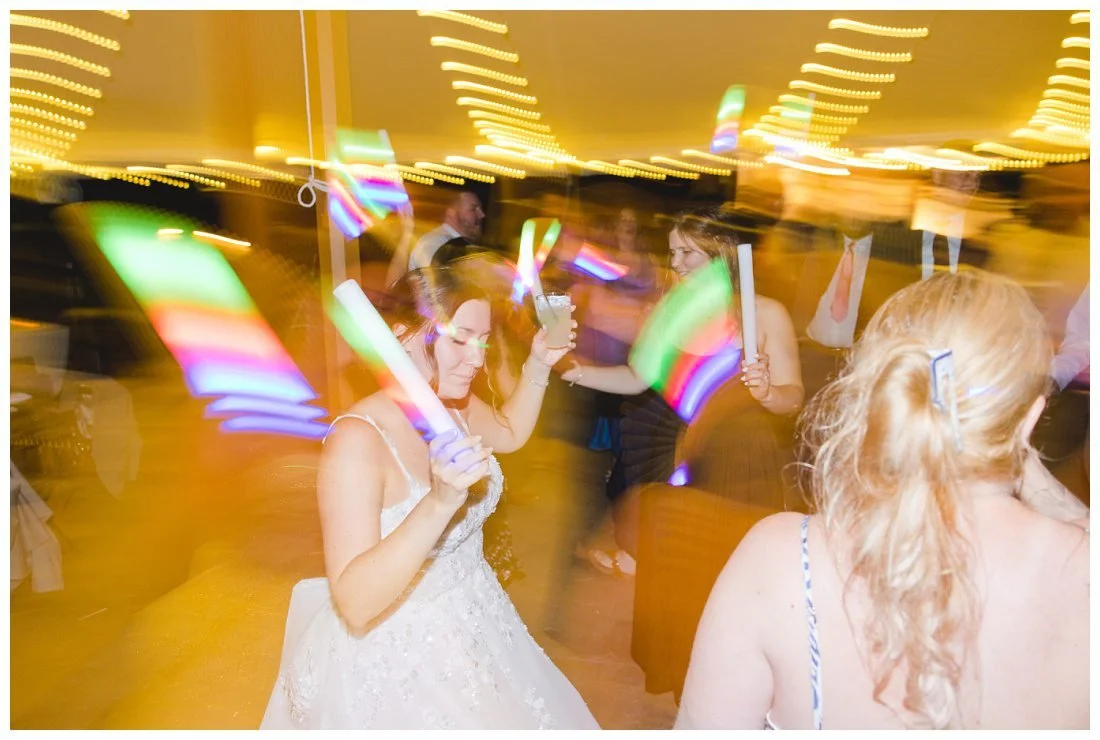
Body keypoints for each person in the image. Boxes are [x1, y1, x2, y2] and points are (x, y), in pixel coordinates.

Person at [677, 270, 1089, 729]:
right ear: (1030, 417)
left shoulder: (779, 562)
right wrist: (1018, 453)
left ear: (877, 394)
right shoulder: (1084, 570)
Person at [261, 257, 598, 729]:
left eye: (482, 341)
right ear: (403, 336)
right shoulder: (357, 441)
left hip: (479, 624)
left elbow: (510, 431)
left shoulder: (452, 404)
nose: (478, 359)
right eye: (460, 339)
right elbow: (356, 604)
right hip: (396, 655)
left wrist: (540, 361)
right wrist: (438, 503)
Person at [406, 190, 486, 271]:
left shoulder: (460, 245)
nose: (482, 214)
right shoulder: (434, 243)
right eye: (473, 209)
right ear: (451, 214)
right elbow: (436, 280)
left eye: (480, 208)